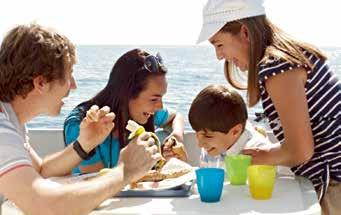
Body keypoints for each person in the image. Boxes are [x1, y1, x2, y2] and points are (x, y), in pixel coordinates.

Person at [0, 24, 161, 215]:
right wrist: (125, 171)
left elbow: (41, 172)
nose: (74, 85)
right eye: (69, 75)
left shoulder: (11, 119)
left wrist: (84, 144)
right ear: (41, 83)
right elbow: (45, 206)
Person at [197, 0, 341, 214]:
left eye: (219, 44)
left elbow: (300, 150)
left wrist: (253, 157)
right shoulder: (286, 57)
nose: (219, 56)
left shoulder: (277, 66)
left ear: (244, 32)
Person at [63, 48, 186, 174]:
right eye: (154, 99)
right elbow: (99, 184)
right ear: (127, 94)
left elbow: (176, 117)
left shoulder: (145, 112)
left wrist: (176, 135)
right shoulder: (79, 126)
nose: (160, 107)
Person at [188, 84, 271, 168]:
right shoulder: (210, 148)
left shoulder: (258, 153)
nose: (200, 144)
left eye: (208, 136)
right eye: (197, 134)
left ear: (235, 131)